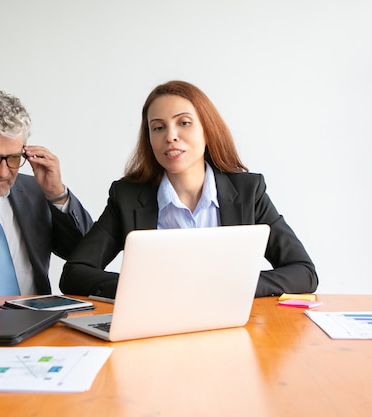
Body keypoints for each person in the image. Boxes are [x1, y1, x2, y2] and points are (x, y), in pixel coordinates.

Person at [59, 80, 318, 299]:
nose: (170, 136)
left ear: (207, 130)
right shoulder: (126, 197)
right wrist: (142, 290)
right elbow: (75, 273)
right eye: (158, 127)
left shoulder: (249, 191)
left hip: (230, 325)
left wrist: (234, 287)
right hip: (157, 328)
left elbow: (303, 272)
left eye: (183, 123)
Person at [0, 91, 93, 296]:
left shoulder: (35, 190)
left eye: (13, 158)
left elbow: (86, 255)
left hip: (36, 318)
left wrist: (57, 194)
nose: (3, 172)